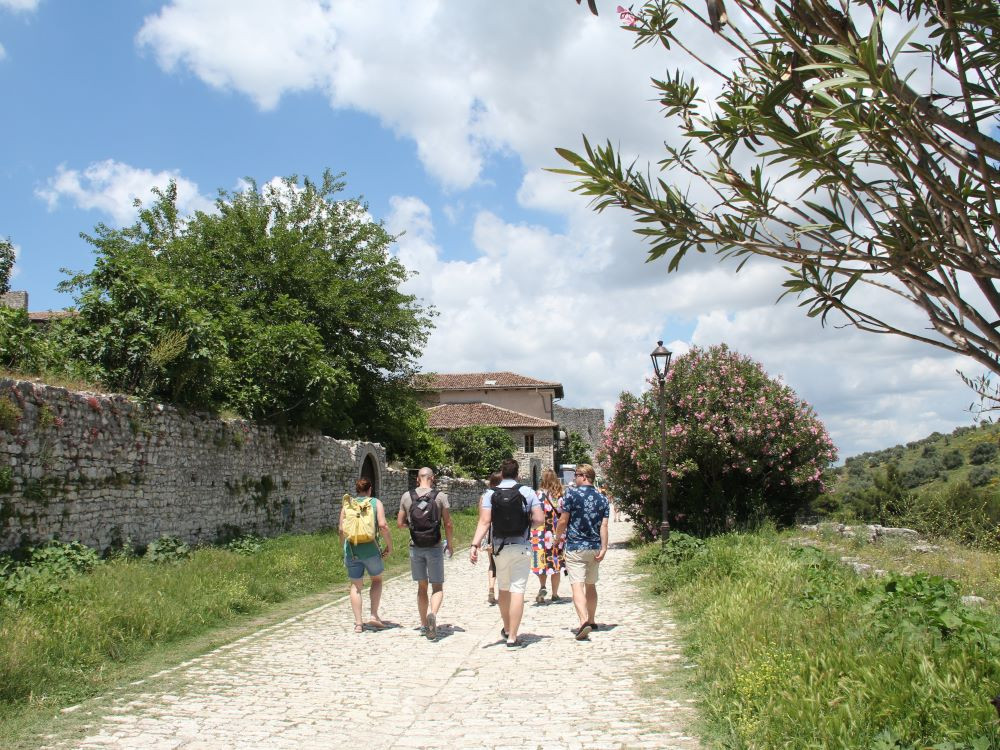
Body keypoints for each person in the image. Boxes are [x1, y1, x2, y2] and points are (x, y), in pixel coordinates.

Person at [469, 457, 543, 648]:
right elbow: (539, 519)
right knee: (518, 589)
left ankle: (507, 627)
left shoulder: (490, 494)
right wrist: (527, 526)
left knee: (503, 588)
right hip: (522, 546)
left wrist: (474, 545)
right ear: (517, 474)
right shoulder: (527, 492)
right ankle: (513, 637)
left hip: (499, 548)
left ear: (501, 474)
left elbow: (485, 522)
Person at [397, 467, 454, 640]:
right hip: (435, 545)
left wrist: (413, 528)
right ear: (433, 478)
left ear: (417, 479)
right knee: (437, 586)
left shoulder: (407, 497)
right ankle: (433, 614)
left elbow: (400, 523)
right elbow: (448, 523)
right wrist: (450, 544)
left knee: (422, 586)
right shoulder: (440, 497)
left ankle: (423, 625)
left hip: (416, 545)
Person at [555, 463, 609, 641]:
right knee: (591, 584)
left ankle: (583, 621)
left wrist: (557, 539)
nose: (574, 478)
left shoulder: (572, 495)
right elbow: (604, 525)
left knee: (577, 585)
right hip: (594, 547)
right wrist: (604, 547)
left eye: (576, 475)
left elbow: (563, 520)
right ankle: (592, 620)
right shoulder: (603, 498)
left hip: (575, 546)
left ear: (584, 476)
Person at [339, 477, 393, 633]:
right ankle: (374, 615)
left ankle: (358, 624)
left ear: (357, 490)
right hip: (371, 549)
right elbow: (383, 525)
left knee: (356, 586)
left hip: (352, 550)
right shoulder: (376, 503)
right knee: (376, 580)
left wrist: (343, 548)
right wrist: (389, 546)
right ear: (370, 489)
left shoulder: (348, 504)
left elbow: (341, 530)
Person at [531, 467, 566, 604]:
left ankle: (542, 586)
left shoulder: (537, 495)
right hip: (556, 534)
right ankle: (555, 593)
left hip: (539, 534)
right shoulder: (559, 496)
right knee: (555, 563)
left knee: (541, 561)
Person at [481, 471, 502, 605]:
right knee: (503, 563)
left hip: (489, 532)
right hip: (500, 531)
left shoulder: (484, 496)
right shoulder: (502, 495)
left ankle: (491, 588)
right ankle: (504, 592)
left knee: (492, 563)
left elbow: (482, 518)